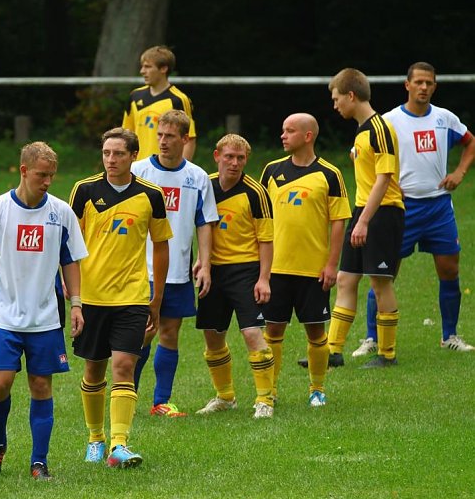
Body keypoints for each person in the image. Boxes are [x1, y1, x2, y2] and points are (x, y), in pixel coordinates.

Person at [0, 142, 87, 481]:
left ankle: (39, 461)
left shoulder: (61, 213)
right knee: (0, 384)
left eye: (51, 176)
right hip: (4, 315)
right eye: (41, 175)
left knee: (41, 385)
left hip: (45, 317)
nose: (47, 181)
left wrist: (76, 303)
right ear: (24, 171)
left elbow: (71, 260)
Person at [353, 62, 475, 355]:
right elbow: (363, 153)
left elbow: (470, 143)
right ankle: (371, 338)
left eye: (429, 83)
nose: (424, 87)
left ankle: (450, 336)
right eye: (418, 82)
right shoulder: (389, 121)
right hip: (401, 208)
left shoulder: (445, 118)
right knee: (384, 273)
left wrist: (459, 172)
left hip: (439, 207)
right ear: (407, 85)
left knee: (449, 268)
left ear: (434, 86)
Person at [69, 127, 172, 468]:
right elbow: (68, 245)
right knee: (94, 370)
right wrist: (74, 299)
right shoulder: (83, 191)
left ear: (133, 156)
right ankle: (95, 437)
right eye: (106, 153)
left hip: (132, 296)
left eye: (118, 154)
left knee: (124, 365)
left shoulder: (150, 195)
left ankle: (119, 444)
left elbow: (160, 245)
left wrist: (155, 299)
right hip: (92, 296)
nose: (111, 160)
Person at [130, 110, 218, 417]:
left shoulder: (197, 178)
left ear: (185, 139)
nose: (163, 141)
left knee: (169, 331)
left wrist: (204, 265)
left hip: (177, 271)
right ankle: (126, 395)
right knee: (142, 332)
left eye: (170, 136)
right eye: (160, 135)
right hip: (140, 270)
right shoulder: (138, 172)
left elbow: (204, 223)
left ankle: (161, 402)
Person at [259, 114, 351, 407]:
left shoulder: (329, 174)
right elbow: (258, 217)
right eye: (282, 129)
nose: (283, 135)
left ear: (308, 136)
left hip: (313, 269)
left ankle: (317, 389)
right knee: (273, 329)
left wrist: (331, 264)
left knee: (316, 330)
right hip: (275, 268)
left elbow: (339, 222)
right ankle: (269, 390)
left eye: (290, 131)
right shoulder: (271, 171)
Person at [326, 68, 404, 368]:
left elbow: (384, 178)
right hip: (365, 210)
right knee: (345, 279)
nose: (335, 106)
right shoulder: (361, 132)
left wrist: (364, 221)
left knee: (380, 282)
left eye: (336, 99)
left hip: (382, 213)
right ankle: (332, 352)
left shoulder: (379, 128)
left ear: (351, 95)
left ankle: (387, 354)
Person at [194, 134, 275, 418]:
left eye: (240, 158)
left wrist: (264, 278)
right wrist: (201, 261)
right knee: (213, 336)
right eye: (229, 156)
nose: (235, 163)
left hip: (246, 270)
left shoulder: (256, 192)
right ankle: (225, 397)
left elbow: (266, 239)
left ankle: (265, 399)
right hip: (213, 271)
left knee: (253, 333)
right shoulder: (206, 187)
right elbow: (204, 227)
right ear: (217, 155)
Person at [122, 45, 197, 162]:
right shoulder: (135, 96)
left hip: (165, 168)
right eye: (142, 67)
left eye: (147, 67)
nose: (142, 71)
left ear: (163, 69)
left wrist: (181, 171)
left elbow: (189, 139)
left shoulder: (178, 100)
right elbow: (126, 135)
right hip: (138, 168)